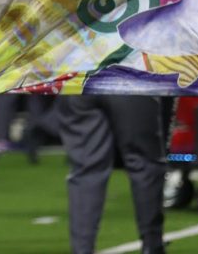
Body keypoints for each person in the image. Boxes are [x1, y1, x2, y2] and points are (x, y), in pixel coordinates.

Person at [58, 96, 166, 254]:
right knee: (143, 163)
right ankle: (152, 246)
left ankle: (82, 249)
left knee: (86, 170)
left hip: (77, 82)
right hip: (128, 81)